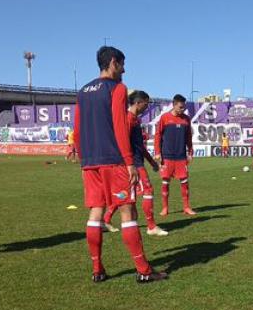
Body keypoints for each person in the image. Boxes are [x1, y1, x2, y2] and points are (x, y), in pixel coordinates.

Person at [73, 46, 168, 283]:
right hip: (114, 161)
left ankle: (97, 270)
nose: (124, 70)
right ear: (113, 62)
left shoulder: (83, 91)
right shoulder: (117, 88)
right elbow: (118, 125)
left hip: (90, 162)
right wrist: (129, 163)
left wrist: (82, 156)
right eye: (123, 64)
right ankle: (144, 271)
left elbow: (77, 127)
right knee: (128, 210)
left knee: (96, 211)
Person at [102, 90, 168, 237]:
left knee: (125, 193)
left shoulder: (135, 120)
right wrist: (128, 163)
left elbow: (139, 146)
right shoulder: (128, 120)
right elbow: (121, 142)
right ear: (138, 103)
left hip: (133, 162)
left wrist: (151, 162)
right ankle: (151, 226)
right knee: (148, 190)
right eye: (146, 103)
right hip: (132, 163)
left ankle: (106, 220)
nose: (148, 106)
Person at [155, 94, 195, 216]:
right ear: (174, 105)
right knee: (165, 181)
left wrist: (190, 152)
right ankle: (165, 208)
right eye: (180, 107)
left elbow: (188, 137)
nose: (182, 109)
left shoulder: (186, 119)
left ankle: (187, 207)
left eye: (184, 107)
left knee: (184, 182)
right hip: (167, 156)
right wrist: (157, 152)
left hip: (181, 157)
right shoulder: (164, 118)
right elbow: (158, 136)